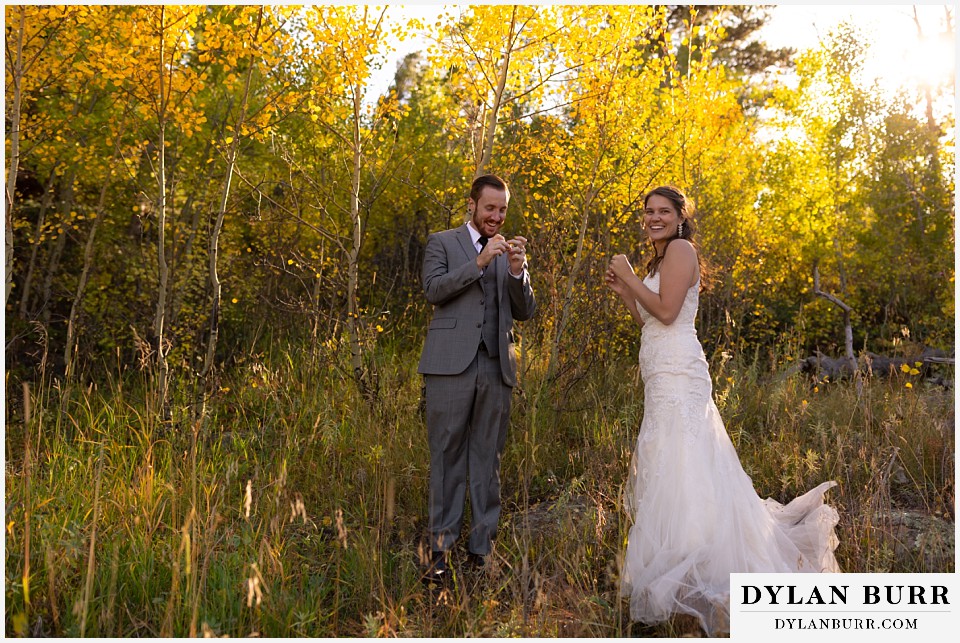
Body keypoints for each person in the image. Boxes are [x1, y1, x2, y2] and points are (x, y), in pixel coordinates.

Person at [605, 185, 840, 635]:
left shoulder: (680, 249)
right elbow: (649, 318)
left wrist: (630, 275)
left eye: (662, 211)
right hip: (661, 372)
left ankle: (699, 566)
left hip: (680, 376)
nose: (653, 218)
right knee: (669, 463)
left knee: (687, 464)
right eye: (648, 212)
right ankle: (681, 567)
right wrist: (625, 290)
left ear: (679, 217)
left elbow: (669, 313)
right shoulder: (663, 258)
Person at [418, 173, 536, 582]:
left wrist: (518, 273)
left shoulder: (510, 252)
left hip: (495, 366)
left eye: (502, 210)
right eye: (490, 208)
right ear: (472, 205)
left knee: (488, 460)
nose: (497, 217)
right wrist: (481, 262)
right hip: (449, 365)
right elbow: (434, 289)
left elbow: (524, 311)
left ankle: (481, 550)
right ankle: (439, 551)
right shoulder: (442, 242)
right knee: (447, 457)